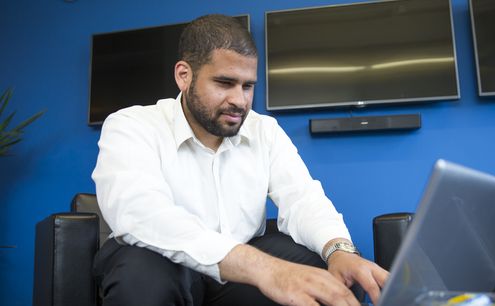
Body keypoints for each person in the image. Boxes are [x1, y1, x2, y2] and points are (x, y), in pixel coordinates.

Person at [92, 14, 388, 306]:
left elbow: (302, 199)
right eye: (225, 83)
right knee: (142, 280)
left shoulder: (264, 130)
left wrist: (339, 251)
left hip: (238, 270)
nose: (241, 101)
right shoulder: (131, 124)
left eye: (248, 86)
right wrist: (266, 270)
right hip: (160, 261)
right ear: (184, 75)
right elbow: (142, 213)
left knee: (335, 278)